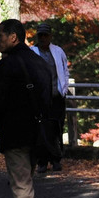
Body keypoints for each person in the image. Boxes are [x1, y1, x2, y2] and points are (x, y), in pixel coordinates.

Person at [0, 18, 53, 198]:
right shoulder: (40, 62)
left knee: (22, 190)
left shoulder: (7, 65)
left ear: (13, 37)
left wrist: (2, 129)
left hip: (15, 135)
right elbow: (49, 99)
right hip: (38, 135)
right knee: (23, 187)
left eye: (0, 36)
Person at [31, 22, 69, 172]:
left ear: (50, 36)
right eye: (40, 35)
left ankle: (56, 159)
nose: (43, 38)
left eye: (46, 35)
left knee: (57, 128)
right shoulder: (32, 52)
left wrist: (63, 89)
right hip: (40, 98)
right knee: (40, 130)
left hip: (56, 96)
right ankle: (42, 161)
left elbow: (65, 70)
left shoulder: (58, 51)